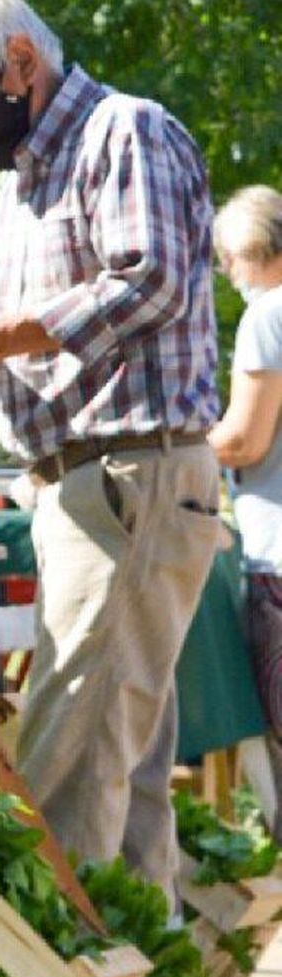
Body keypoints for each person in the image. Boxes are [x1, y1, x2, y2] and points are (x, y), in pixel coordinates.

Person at [0, 0, 223, 977]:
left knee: (71, 749)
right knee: (123, 749)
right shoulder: (26, 176)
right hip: (83, 485)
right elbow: (29, 317)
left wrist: (6, 336)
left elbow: (156, 282)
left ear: (22, 64)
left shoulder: (128, 131)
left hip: (130, 477)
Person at [208, 185, 282, 832]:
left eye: (226, 259)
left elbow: (244, 438)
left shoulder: (268, 315)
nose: (226, 274)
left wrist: (177, 445)